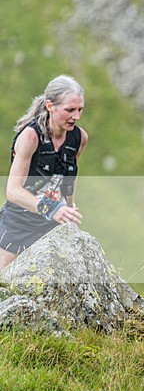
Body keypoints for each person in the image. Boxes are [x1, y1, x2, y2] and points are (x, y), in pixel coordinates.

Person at [0, 75, 88, 268]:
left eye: (80, 109)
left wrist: (69, 210)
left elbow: (69, 178)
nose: (76, 116)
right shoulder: (30, 137)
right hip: (18, 225)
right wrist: (52, 208)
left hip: (52, 226)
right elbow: (13, 191)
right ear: (50, 106)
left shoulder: (79, 138)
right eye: (70, 110)